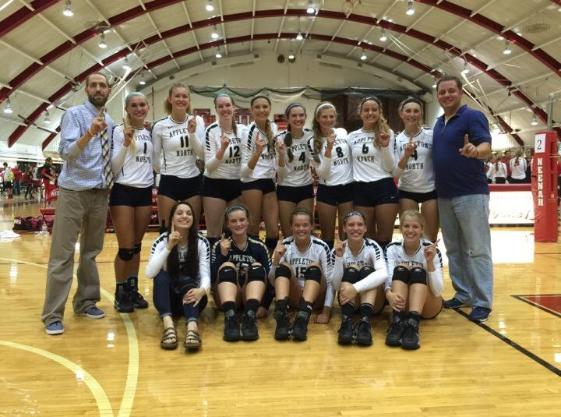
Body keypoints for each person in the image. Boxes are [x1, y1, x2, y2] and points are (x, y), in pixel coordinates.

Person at [41, 72, 114, 335]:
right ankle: (52, 315)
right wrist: (89, 134)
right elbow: (66, 153)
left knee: (91, 253)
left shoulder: (112, 121)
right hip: (74, 191)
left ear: (108, 90)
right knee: (62, 255)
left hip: (100, 192)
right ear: (86, 89)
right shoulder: (74, 115)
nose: (98, 89)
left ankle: (86, 301)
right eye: (93, 85)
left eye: (102, 85)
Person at [433, 74, 493, 323]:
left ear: (461, 92)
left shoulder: (472, 116)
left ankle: (482, 301)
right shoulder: (438, 123)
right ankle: (463, 293)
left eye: (451, 91)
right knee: (455, 249)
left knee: (478, 250)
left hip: (471, 193)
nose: (446, 95)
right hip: (444, 195)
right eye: (442, 92)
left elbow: (486, 147)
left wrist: (475, 151)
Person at [109, 92, 153, 313]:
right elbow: (115, 167)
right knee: (125, 248)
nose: (138, 108)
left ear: (147, 107)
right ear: (127, 109)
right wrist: (126, 143)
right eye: (134, 105)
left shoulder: (150, 132)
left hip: (145, 192)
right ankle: (120, 292)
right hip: (123, 191)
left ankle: (132, 289)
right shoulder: (118, 131)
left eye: (142, 105)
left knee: (136, 247)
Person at [145, 201, 210, 351]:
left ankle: (192, 327)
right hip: (168, 301)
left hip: (193, 298)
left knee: (190, 281)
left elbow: (206, 274)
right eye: (179, 213)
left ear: (193, 218)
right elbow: (149, 273)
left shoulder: (201, 242)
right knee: (161, 276)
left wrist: (203, 290)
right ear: (172, 219)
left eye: (188, 213)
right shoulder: (161, 241)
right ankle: (168, 326)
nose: (184, 216)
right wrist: (169, 247)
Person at [270, 208, 333, 341]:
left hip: (316, 299)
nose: (301, 229)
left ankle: (303, 318)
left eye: (305, 225)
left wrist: (326, 311)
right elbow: (272, 281)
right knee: (283, 267)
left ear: (312, 226)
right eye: (297, 225)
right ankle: (282, 316)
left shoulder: (321, 246)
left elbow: (330, 282)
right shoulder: (285, 245)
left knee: (314, 267)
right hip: (295, 296)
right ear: (291, 227)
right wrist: (275, 261)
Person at [384, 210, 444, 350]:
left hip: (428, 305)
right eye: (406, 226)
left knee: (418, 271)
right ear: (400, 228)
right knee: (400, 269)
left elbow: (438, 291)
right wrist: (388, 294)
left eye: (415, 227)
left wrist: (429, 263)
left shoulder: (431, 249)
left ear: (422, 229)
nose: (410, 230)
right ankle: (398, 321)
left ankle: (413, 325)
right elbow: (386, 278)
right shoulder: (392, 249)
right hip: (401, 304)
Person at [211, 205, 270, 342]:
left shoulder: (259, 247)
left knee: (257, 267)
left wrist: (265, 305)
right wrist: (223, 255)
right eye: (233, 221)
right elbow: (212, 277)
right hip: (227, 299)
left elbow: (269, 279)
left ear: (248, 221)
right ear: (227, 224)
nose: (238, 224)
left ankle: (250, 319)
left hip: (253, 298)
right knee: (227, 266)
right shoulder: (219, 245)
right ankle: (230, 319)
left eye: (242, 220)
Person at [152, 83, 205, 232]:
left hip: (193, 180)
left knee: (192, 230)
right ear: (170, 99)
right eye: (177, 96)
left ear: (189, 99)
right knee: (166, 229)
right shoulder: (160, 125)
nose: (181, 99)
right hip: (169, 180)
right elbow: (155, 159)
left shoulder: (197, 121)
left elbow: (202, 154)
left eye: (184, 96)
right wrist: (166, 168)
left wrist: (192, 133)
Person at [331, 211, 387, 346]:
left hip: (373, 305)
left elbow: (383, 273)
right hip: (348, 301)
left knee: (367, 270)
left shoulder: (372, 246)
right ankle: (346, 321)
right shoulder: (338, 249)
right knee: (351, 270)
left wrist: (355, 288)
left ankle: (365, 322)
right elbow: (336, 285)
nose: (355, 228)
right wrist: (339, 258)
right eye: (351, 225)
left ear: (366, 228)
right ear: (344, 228)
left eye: (360, 224)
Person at [348, 96, 397, 247]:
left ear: (380, 112)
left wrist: (384, 146)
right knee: (367, 237)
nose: (370, 113)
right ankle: (370, 269)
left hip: (384, 186)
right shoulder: (351, 137)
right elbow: (350, 165)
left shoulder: (388, 132)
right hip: (361, 187)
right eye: (366, 110)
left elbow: (390, 167)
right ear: (360, 113)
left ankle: (385, 269)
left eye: (374, 109)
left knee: (384, 237)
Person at [394, 97, 438, 242]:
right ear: (401, 114)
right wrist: (405, 156)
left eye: (415, 111)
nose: (412, 114)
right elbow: (396, 174)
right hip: (407, 190)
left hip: (430, 190)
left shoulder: (431, 135)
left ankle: (430, 265)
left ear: (421, 114)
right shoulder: (396, 140)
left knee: (430, 238)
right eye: (408, 111)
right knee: (410, 237)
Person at [202, 93, 244, 249]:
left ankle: (231, 269)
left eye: (228, 105)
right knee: (214, 234)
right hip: (215, 184)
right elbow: (210, 166)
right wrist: (222, 149)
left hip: (237, 184)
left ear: (233, 107)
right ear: (216, 109)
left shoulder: (243, 130)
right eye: (221, 106)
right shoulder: (211, 131)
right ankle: (212, 272)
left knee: (236, 232)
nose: (225, 109)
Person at [308, 102, 352, 249]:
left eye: (331, 116)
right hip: (327, 189)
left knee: (347, 233)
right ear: (318, 118)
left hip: (347, 187)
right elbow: (321, 173)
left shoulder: (342, 132)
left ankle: (346, 266)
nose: (328, 119)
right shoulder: (312, 141)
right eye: (324, 116)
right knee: (327, 236)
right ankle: (328, 269)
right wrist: (328, 149)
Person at [240, 95, 279, 252]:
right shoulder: (248, 132)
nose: (261, 110)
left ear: (270, 109)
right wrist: (257, 152)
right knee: (253, 225)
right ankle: (253, 262)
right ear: (251, 110)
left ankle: (269, 265)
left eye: (265, 107)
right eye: (257, 107)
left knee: (273, 229)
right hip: (252, 181)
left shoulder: (274, 128)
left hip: (269, 181)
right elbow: (243, 172)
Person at [275, 103, 315, 237]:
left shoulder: (311, 135)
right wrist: (281, 155)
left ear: (305, 117)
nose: (298, 118)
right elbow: (280, 174)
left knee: (305, 232)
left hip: (305, 187)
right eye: (294, 115)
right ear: (288, 118)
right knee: (288, 233)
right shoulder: (280, 138)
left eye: (301, 115)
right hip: (286, 188)